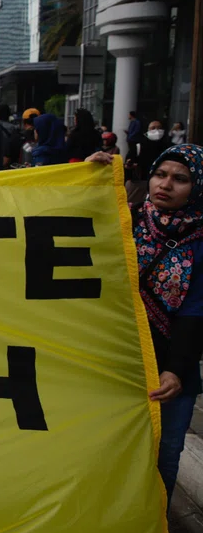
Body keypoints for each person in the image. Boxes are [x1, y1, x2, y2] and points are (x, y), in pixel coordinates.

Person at [87, 144, 203, 506]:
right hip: (117, 363)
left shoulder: (200, 243)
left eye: (180, 179)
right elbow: (66, 219)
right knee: (107, 450)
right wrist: (88, 177)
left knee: (163, 456)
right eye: (160, 174)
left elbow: (195, 310)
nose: (165, 184)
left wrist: (176, 371)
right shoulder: (126, 218)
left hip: (170, 374)